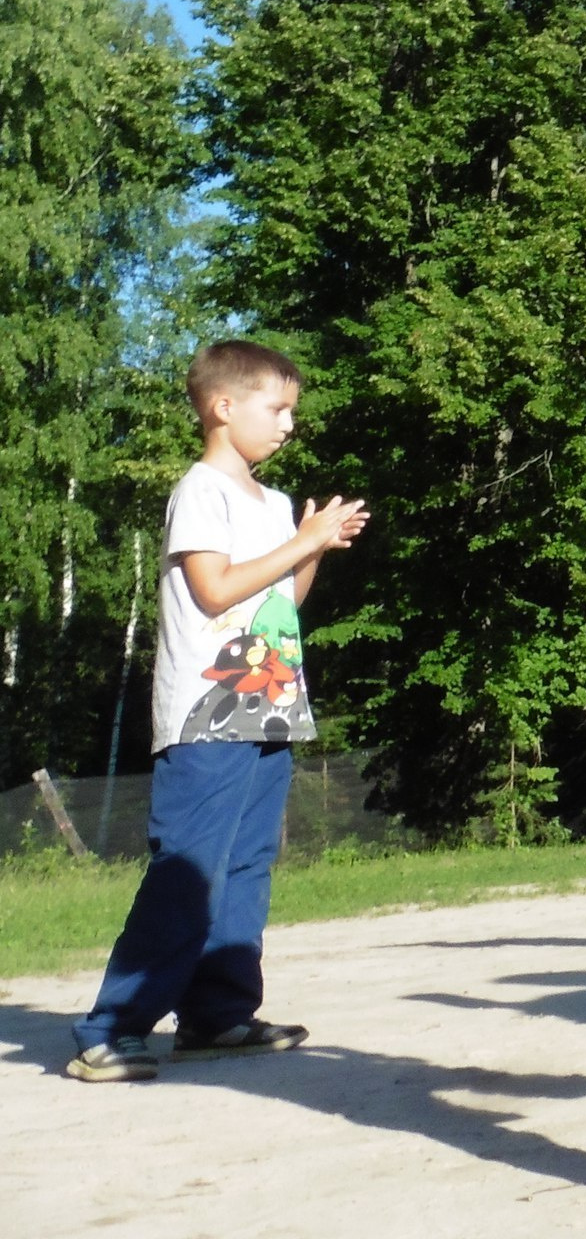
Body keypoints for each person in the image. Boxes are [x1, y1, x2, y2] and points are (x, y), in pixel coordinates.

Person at [65, 341, 369, 1083]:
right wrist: (301, 540)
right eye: (278, 408)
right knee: (189, 868)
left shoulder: (269, 503)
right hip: (205, 712)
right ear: (223, 407)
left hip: (268, 709)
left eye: (293, 410)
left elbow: (279, 606)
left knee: (244, 867)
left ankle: (216, 1015)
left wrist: (312, 551)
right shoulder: (201, 490)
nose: (290, 424)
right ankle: (112, 1027)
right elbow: (213, 589)